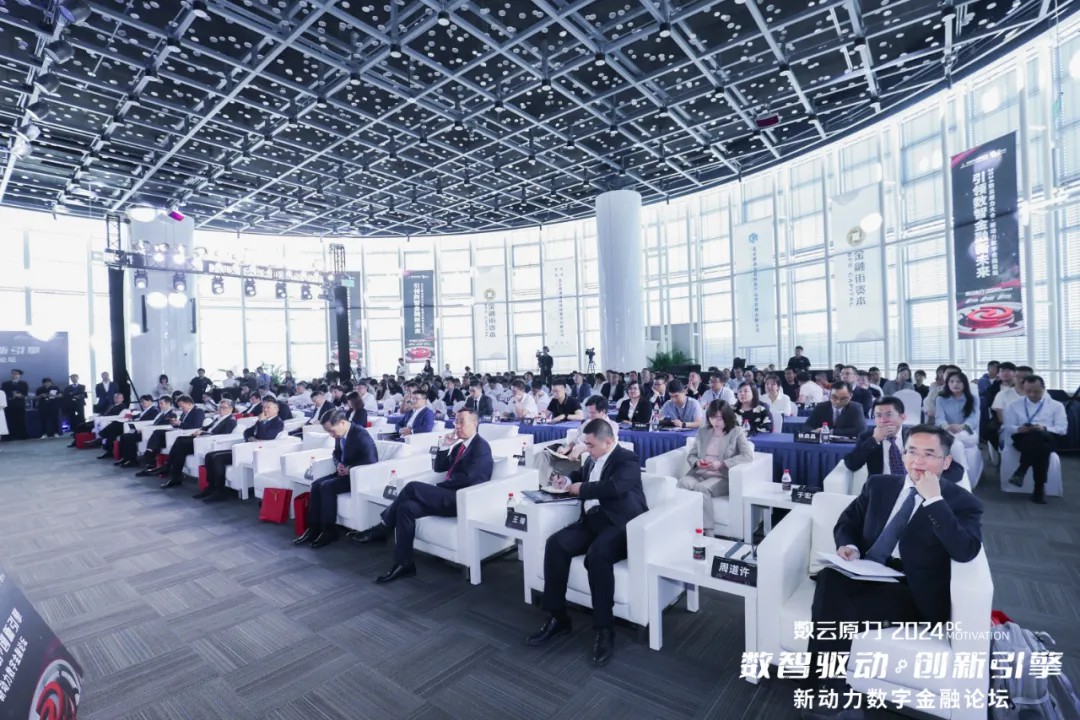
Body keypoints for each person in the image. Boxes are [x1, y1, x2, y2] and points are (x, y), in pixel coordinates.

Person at [800, 425, 982, 720]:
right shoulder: (880, 485)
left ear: (946, 461)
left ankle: (822, 688)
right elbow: (848, 521)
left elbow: (966, 550)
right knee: (831, 578)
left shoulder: (962, 502)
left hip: (910, 589)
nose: (918, 461)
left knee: (831, 601)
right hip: (866, 570)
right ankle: (830, 690)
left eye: (929, 454)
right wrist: (849, 546)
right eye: (912, 452)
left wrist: (934, 501)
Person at [525, 419, 647, 667]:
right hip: (592, 520)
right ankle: (558, 617)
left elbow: (614, 487)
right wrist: (567, 480)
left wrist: (581, 489)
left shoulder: (627, 459)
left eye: (590, 445)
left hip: (619, 523)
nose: (586, 449)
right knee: (556, 545)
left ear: (608, 442)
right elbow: (580, 475)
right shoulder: (592, 458)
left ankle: (604, 629)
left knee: (597, 556)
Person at [352, 408, 493, 582]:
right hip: (447, 495)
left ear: (475, 423)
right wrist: (445, 445)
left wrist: (439, 488)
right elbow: (439, 467)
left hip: (461, 499)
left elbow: (469, 478)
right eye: (456, 422)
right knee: (405, 508)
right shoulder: (460, 447)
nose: (457, 426)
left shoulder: (481, 447)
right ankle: (404, 564)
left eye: (461, 422)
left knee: (412, 487)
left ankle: (383, 526)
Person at [294, 410, 378, 548]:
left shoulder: (360, 434)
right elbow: (336, 454)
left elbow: (372, 459)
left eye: (331, 431)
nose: (331, 435)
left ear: (342, 423)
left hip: (359, 477)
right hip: (343, 473)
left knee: (327, 486)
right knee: (316, 485)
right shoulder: (340, 434)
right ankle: (313, 528)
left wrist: (350, 469)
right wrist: (338, 463)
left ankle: (329, 531)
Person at [843, 397, 965, 483]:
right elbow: (852, 465)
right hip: (881, 491)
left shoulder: (918, 435)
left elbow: (956, 471)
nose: (883, 420)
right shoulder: (868, 437)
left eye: (889, 415)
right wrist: (874, 440)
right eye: (878, 415)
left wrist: (926, 481)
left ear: (902, 417)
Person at [678, 400, 753, 536]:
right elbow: (692, 454)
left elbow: (747, 456)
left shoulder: (737, 432)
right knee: (682, 483)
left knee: (701, 488)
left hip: (721, 475)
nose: (715, 422)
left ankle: (709, 531)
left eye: (719, 418)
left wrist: (723, 463)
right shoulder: (703, 432)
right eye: (712, 418)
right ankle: (685, 527)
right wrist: (697, 462)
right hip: (700, 472)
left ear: (727, 417)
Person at [197, 397, 284, 502]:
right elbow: (247, 431)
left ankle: (220, 491)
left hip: (255, 451)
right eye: (264, 407)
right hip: (246, 447)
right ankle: (211, 486)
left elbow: (266, 436)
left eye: (268, 407)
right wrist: (251, 437)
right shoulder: (263, 420)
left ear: (276, 409)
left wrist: (261, 422)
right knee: (210, 455)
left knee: (217, 458)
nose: (264, 410)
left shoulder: (278, 422)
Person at [1002, 375, 1067, 504]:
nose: (1032, 395)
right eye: (1028, 391)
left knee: (1039, 437)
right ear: (1023, 389)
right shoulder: (1013, 405)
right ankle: (1038, 489)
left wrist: (1044, 428)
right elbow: (1008, 427)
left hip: (1048, 436)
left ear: (1044, 388)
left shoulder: (1056, 406)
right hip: (1022, 438)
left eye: (1036, 391)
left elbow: (1062, 429)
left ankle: (1022, 470)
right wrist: (1019, 429)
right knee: (1041, 445)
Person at [158, 399, 238, 488]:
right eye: (220, 407)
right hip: (203, 440)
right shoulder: (219, 418)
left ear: (231, 409)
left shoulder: (230, 420)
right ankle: (175, 477)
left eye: (224, 407)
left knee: (180, 441)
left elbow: (222, 436)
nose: (221, 409)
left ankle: (168, 467)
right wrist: (199, 430)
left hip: (210, 443)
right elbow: (208, 427)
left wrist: (203, 433)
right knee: (180, 449)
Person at [537, 397, 618, 479]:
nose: (590, 416)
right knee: (544, 455)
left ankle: (553, 482)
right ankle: (540, 484)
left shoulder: (611, 426)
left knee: (555, 469)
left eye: (593, 413)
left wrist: (582, 448)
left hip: (583, 457)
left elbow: (605, 447)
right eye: (589, 412)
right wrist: (566, 448)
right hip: (571, 453)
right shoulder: (587, 422)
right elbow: (576, 440)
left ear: (603, 411)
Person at [134, 395, 205, 474]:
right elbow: (180, 424)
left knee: (162, 438)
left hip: (187, 434)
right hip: (179, 431)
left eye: (182, 407)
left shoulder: (198, 411)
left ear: (189, 403)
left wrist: (180, 423)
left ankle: (154, 460)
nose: (181, 409)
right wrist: (174, 423)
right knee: (158, 433)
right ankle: (150, 456)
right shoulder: (185, 412)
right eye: (180, 407)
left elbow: (196, 426)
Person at [116, 396, 176, 467]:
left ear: (168, 403)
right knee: (124, 436)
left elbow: (166, 426)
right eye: (159, 403)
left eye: (161, 403)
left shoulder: (172, 414)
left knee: (130, 437)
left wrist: (145, 429)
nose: (159, 405)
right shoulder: (162, 413)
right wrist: (143, 428)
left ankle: (132, 460)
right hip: (149, 430)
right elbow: (154, 423)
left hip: (152, 433)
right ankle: (126, 458)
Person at [935, 371, 979, 448]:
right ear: (947, 384)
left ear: (964, 384)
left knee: (965, 439)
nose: (955, 384)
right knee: (956, 443)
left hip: (966, 430)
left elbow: (973, 418)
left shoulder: (973, 399)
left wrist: (962, 427)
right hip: (948, 430)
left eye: (959, 381)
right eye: (951, 381)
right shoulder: (940, 399)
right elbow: (939, 418)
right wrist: (946, 427)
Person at [92, 392, 144, 457]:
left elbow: (120, 416)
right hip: (115, 424)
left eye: (118, 398)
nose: (116, 399)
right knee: (111, 432)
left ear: (122, 399)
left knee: (113, 426)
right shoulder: (111, 405)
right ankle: (108, 450)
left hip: (124, 425)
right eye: (115, 397)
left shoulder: (122, 407)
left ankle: (101, 439)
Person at [1, 369, 29, 440]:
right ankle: (10, 436)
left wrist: (20, 395)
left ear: (20, 375)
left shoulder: (24, 383)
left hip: (20, 405)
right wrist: (11, 396)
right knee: (10, 421)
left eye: (16, 373)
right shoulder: (6, 384)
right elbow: (3, 393)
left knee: (21, 420)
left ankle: (22, 436)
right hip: (9, 404)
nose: (14, 375)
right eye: (13, 373)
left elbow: (25, 393)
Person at [61, 374, 88, 441]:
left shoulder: (82, 386)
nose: (73, 379)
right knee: (72, 417)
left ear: (78, 378)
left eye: (75, 377)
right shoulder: (68, 387)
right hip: (71, 404)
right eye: (72, 378)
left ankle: (83, 430)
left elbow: (83, 394)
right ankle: (74, 431)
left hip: (80, 404)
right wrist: (74, 395)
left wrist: (74, 395)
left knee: (81, 416)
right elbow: (66, 395)